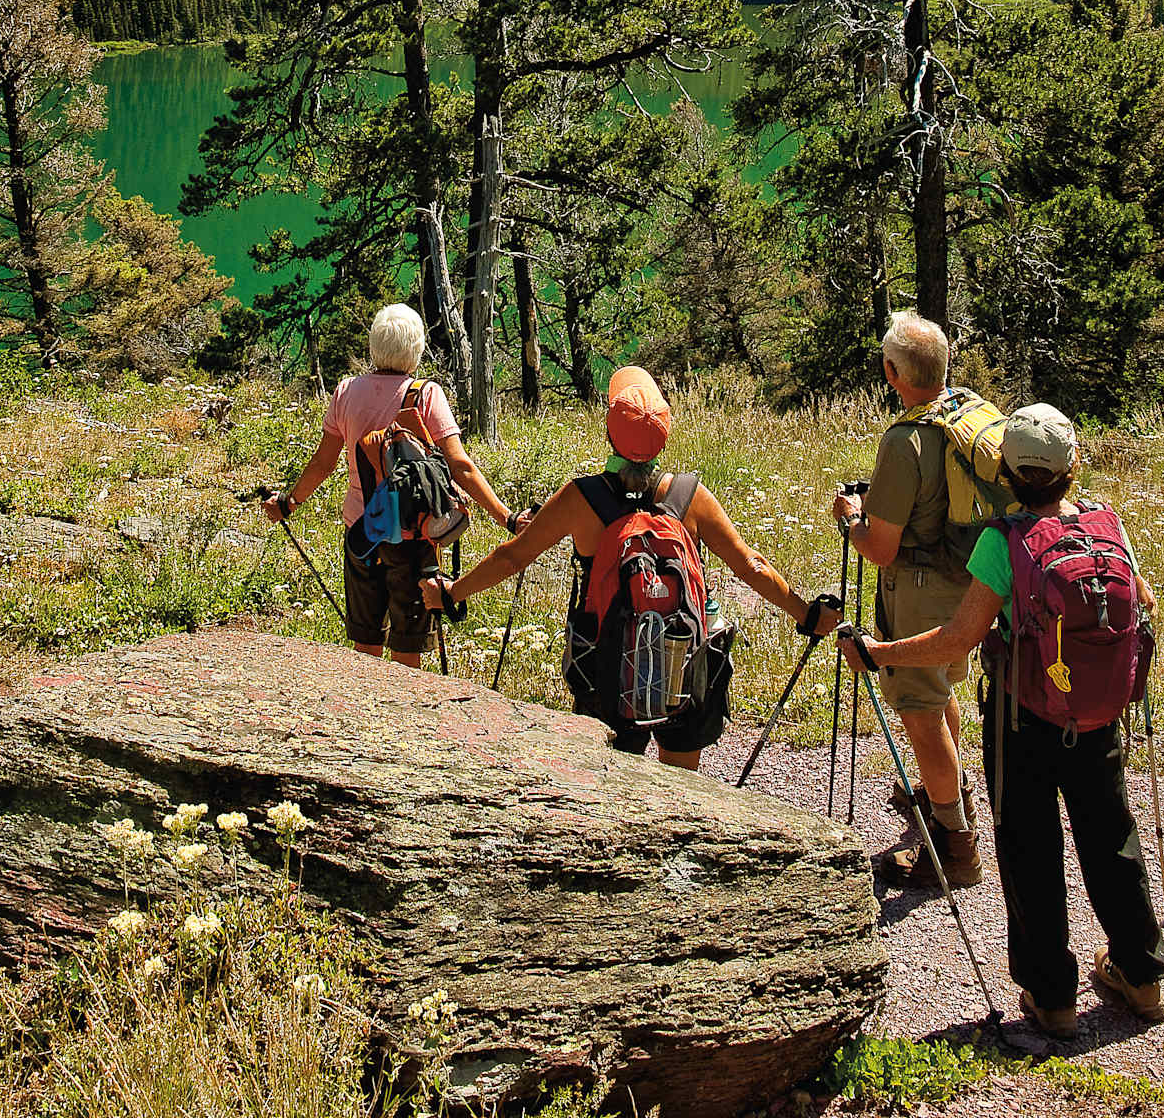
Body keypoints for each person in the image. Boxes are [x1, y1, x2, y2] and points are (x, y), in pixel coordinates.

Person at [839, 403, 1164, 1039]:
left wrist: (877, 653)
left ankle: (1053, 999)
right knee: (1110, 837)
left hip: (1023, 718)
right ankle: (1143, 976)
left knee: (1029, 848)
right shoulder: (1110, 527)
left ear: (1009, 474)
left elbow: (958, 639)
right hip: (1099, 717)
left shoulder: (1005, 542)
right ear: (1072, 467)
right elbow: (1142, 605)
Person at [421, 364, 842, 769]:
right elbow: (752, 567)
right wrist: (807, 614)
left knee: (613, 788)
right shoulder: (690, 496)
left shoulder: (581, 498)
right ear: (665, 437)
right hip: (683, 661)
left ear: (608, 433)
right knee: (682, 789)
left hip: (606, 666)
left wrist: (452, 593)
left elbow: (512, 556)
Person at [264, 303, 524, 669]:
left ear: (374, 346)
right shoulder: (425, 395)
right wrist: (507, 518)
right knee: (407, 653)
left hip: (362, 532)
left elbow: (323, 463)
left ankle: (366, 720)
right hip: (414, 539)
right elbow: (461, 466)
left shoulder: (345, 391)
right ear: (416, 349)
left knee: (365, 644)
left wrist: (288, 502)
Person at [832, 311, 981, 887]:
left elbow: (881, 549)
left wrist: (851, 521)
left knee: (918, 711)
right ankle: (947, 787)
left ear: (893, 371)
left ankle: (954, 846)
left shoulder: (905, 440)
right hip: (969, 582)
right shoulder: (965, 415)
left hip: (920, 588)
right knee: (937, 687)